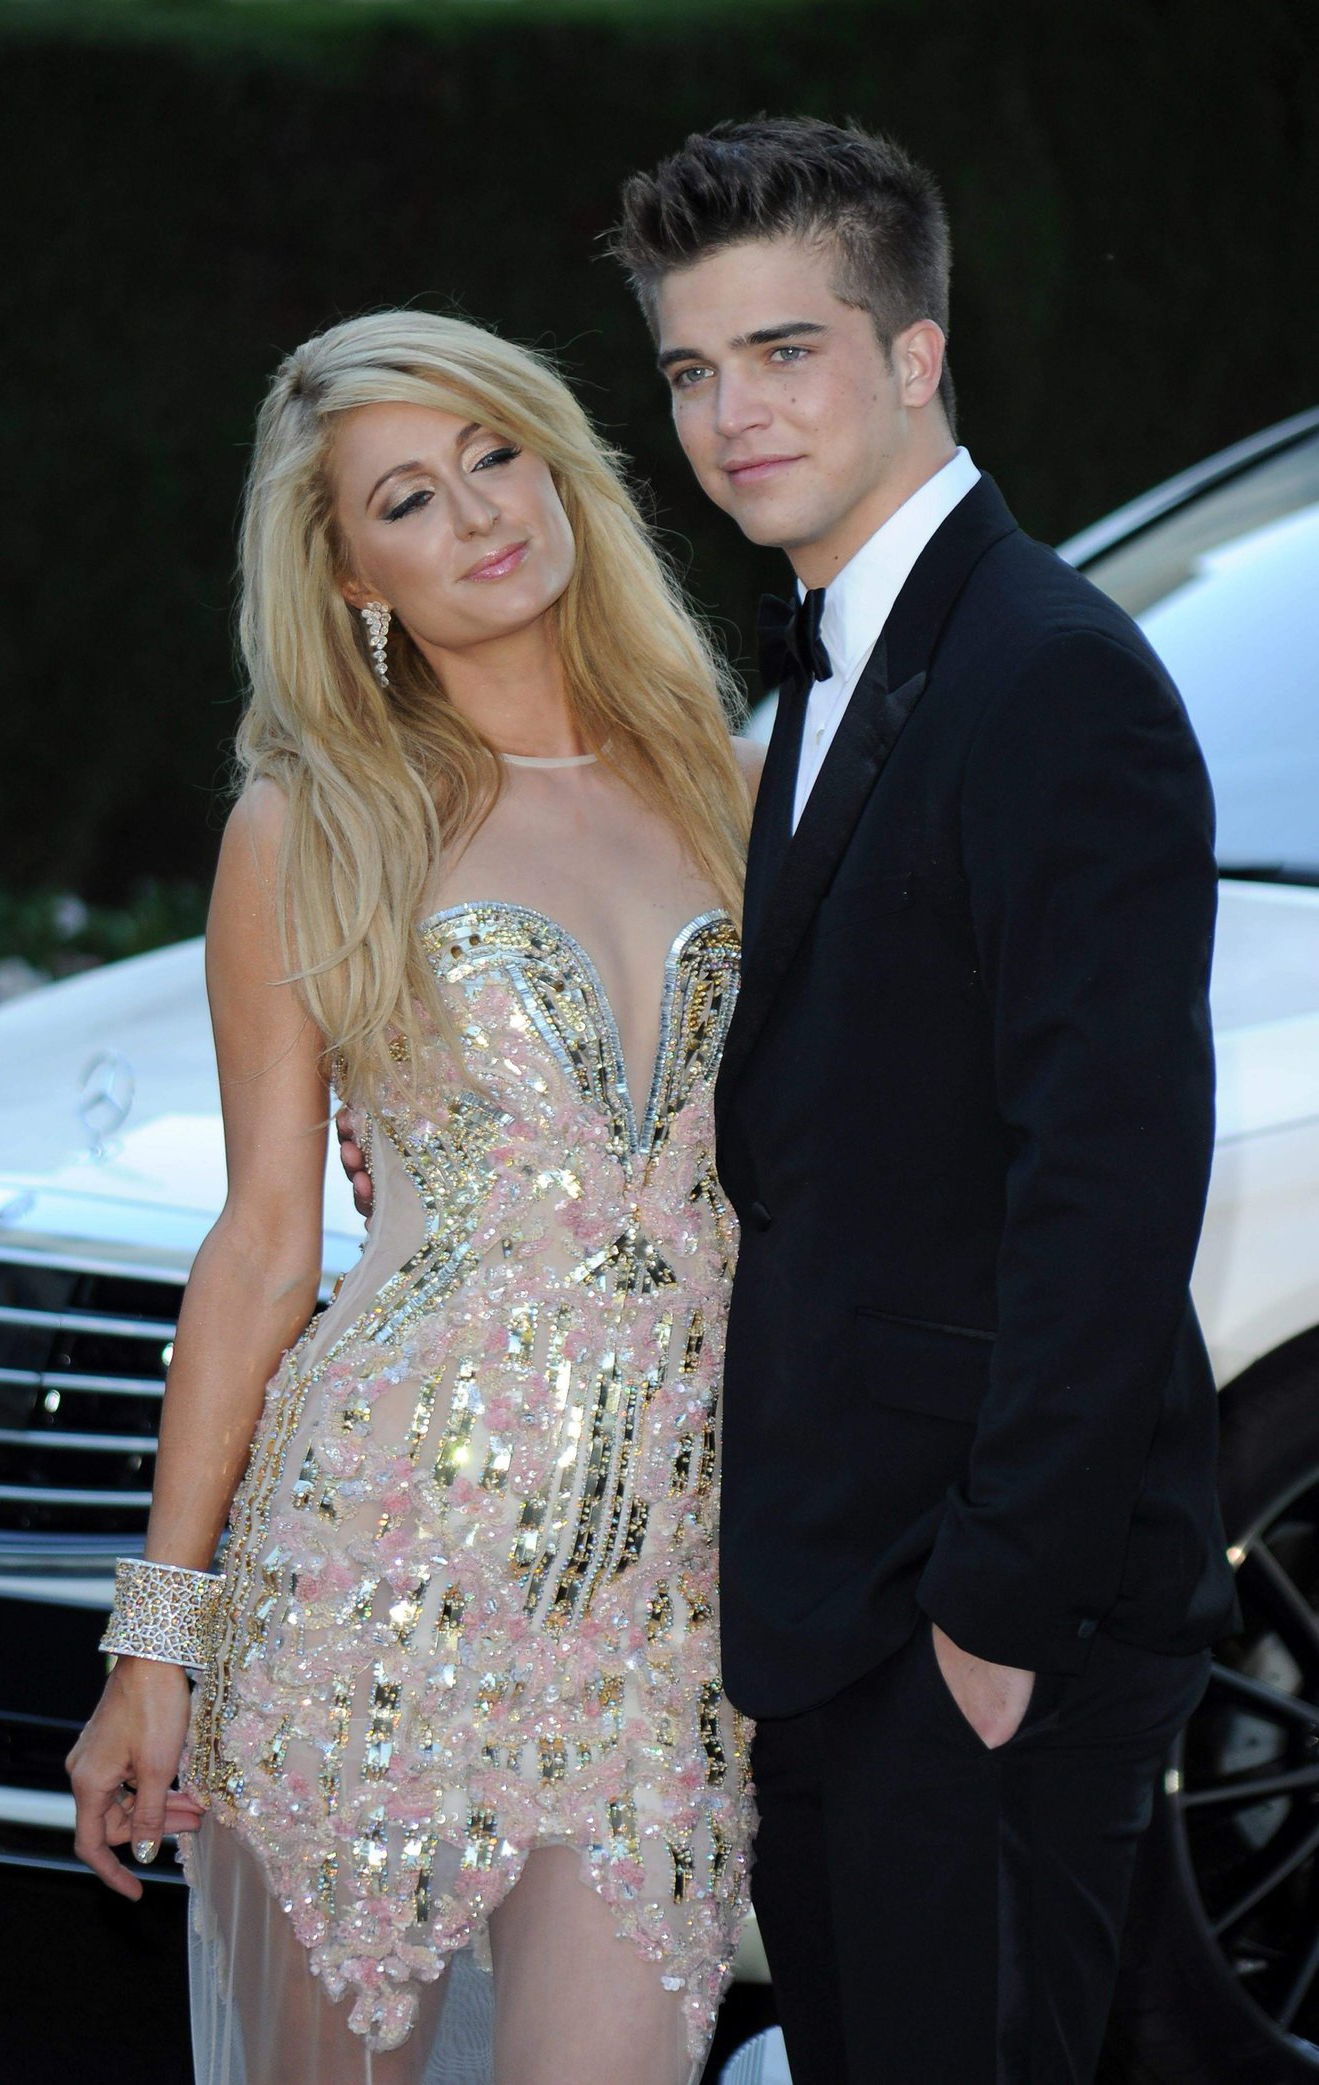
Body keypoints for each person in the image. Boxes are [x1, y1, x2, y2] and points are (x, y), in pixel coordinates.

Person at [603, 116, 1240, 2083]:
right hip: (844, 1588)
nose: (730, 416)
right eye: (692, 370)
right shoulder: (832, 661)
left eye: (783, 352)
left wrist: (991, 1615)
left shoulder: (1051, 676)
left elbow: (1110, 1182)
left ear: (915, 354)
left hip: (968, 1612)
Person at [67, 308, 762, 2085]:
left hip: (659, 1613)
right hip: (373, 1587)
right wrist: (158, 1640)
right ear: (347, 572)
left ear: (559, 464)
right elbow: (263, 1245)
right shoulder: (314, 826)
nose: (478, 514)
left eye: (494, 455)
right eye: (408, 498)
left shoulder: (738, 783)